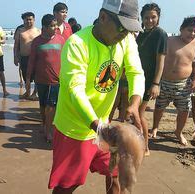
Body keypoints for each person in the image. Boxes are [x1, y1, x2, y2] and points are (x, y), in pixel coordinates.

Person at [48, 0, 145, 193]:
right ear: (103, 17)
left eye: (129, 30)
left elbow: (136, 71)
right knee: (67, 185)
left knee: (116, 175)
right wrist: (98, 128)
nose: (124, 34)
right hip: (75, 128)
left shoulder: (125, 39)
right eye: (121, 28)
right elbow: (75, 90)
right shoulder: (77, 44)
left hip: (105, 125)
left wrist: (134, 103)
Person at [150, 16, 195, 146]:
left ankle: (178, 132)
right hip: (165, 81)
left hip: (184, 84)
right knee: (159, 107)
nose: (192, 33)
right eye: (189, 30)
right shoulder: (169, 40)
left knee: (184, 110)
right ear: (181, 29)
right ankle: (155, 127)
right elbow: (158, 58)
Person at [25, 14, 65, 142]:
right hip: (41, 79)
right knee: (42, 105)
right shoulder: (37, 41)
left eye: (55, 25)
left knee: (51, 106)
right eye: (52, 26)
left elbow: (66, 59)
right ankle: (44, 124)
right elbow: (31, 61)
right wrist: (27, 78)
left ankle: (49, 131)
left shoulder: (61, 39)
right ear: (44, 27)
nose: (55, 28)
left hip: (56, 80)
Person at [135, 3, 167, 155]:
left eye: (153, 17)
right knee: (135, 113)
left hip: (149, 81)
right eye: (146, 17)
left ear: (158, 18)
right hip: (137, 79)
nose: (150, 20)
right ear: (141, 18)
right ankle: (138, 143)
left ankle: (146, 147)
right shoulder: (141, 33)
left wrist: (155, 84)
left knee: (139, 114)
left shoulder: (160, 34)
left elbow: (161, 61)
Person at [13, 12, 41, 99]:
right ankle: (27, 92)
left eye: (30, 19)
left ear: (34, 20)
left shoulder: (38, 31)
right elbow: (16, 45)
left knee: (37, 77)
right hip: (24, 57)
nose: (28, 21)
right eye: (26, 20)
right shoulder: (20, 31)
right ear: (23, 20)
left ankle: (34, 93)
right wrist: (15, 57)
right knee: (26, 77)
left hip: (36, 58)